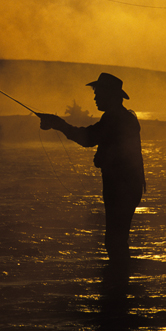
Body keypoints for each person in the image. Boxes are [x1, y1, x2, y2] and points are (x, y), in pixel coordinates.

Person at [38, 73, 146, 267]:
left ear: (110, 95)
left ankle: (119, 288)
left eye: (98, 93)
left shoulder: (115, 119)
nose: (95, 98)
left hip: (121, 189)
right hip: (127, 187)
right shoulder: (121, 117)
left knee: (114, 242)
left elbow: (88, 138)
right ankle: (123, 287)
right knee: (116, 241)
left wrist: (59, 124)